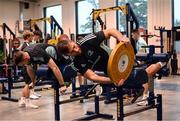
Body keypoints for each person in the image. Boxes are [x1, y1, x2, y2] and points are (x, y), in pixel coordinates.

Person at [56, 28, 166, 106]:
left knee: (141, 76)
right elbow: (93, 77)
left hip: (120, 58)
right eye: (72, 51)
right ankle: (149, 78)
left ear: (72, 41)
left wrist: (121, 37)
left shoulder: (87, 41)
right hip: (110, 71)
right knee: (132, 82)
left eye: (74, 46)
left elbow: (110, 31)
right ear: (68, 55)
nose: (76, 49)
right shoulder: (76, 63)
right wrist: (113, 80)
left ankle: (161, 63)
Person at [13, 43, 67, 109]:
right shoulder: (25, 54)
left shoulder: (38, 53)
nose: (23, 65)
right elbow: (29, 68)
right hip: (47, 57)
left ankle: (67, 81)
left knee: (64, 73)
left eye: (22, 64)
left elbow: (54, 67)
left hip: (57, 56)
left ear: (25, 58)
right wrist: (33, 82)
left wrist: (62, 85)